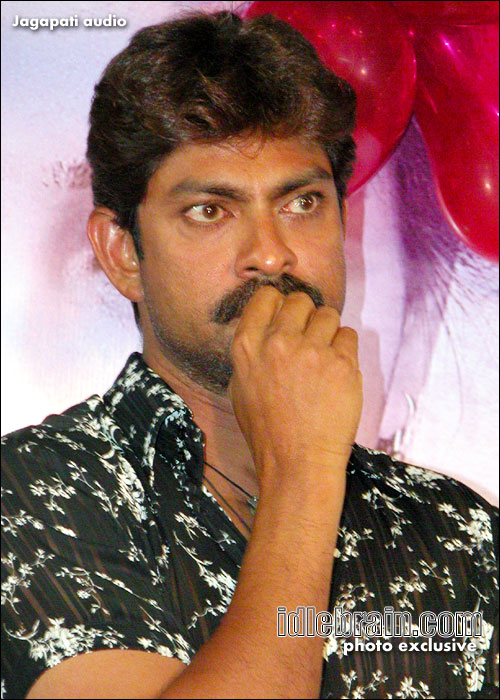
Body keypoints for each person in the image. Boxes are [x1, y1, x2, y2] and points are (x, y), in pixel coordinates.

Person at [1, 10, 498, 700]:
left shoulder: (453, 531)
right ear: (122, 254)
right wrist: (301, 473)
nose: (270, 254)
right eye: (210, 210)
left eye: (302, 203)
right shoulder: (36, 489)